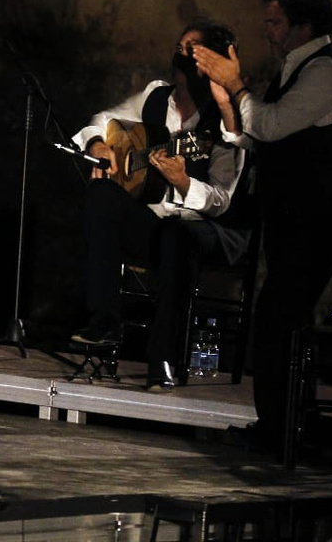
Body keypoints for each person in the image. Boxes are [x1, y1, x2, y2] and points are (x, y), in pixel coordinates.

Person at [193, 0, 332, 454]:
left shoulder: (325, 72)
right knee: (284, 320)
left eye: (275, 22)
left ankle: (283, 431)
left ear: (303, 25)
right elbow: (254, 135)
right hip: (297, 217)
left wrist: (237, 84)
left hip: (319, 216)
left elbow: (268, 124)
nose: (267, 31)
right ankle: (292, 426)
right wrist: (229, 102)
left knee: (277, 319)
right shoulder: (298, 67)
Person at [70, 21, 248, 390]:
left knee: (176, 235)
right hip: (154, 222)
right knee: (102, 194)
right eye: (179, 46)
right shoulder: (155, 95)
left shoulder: (226, 121)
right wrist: (98, 146)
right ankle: (104, 322)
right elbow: (100, 122)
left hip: (205, 230)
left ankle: (162, 359)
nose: (180, 55)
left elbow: (222, 199)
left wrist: (183, 182)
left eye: (191, 50)